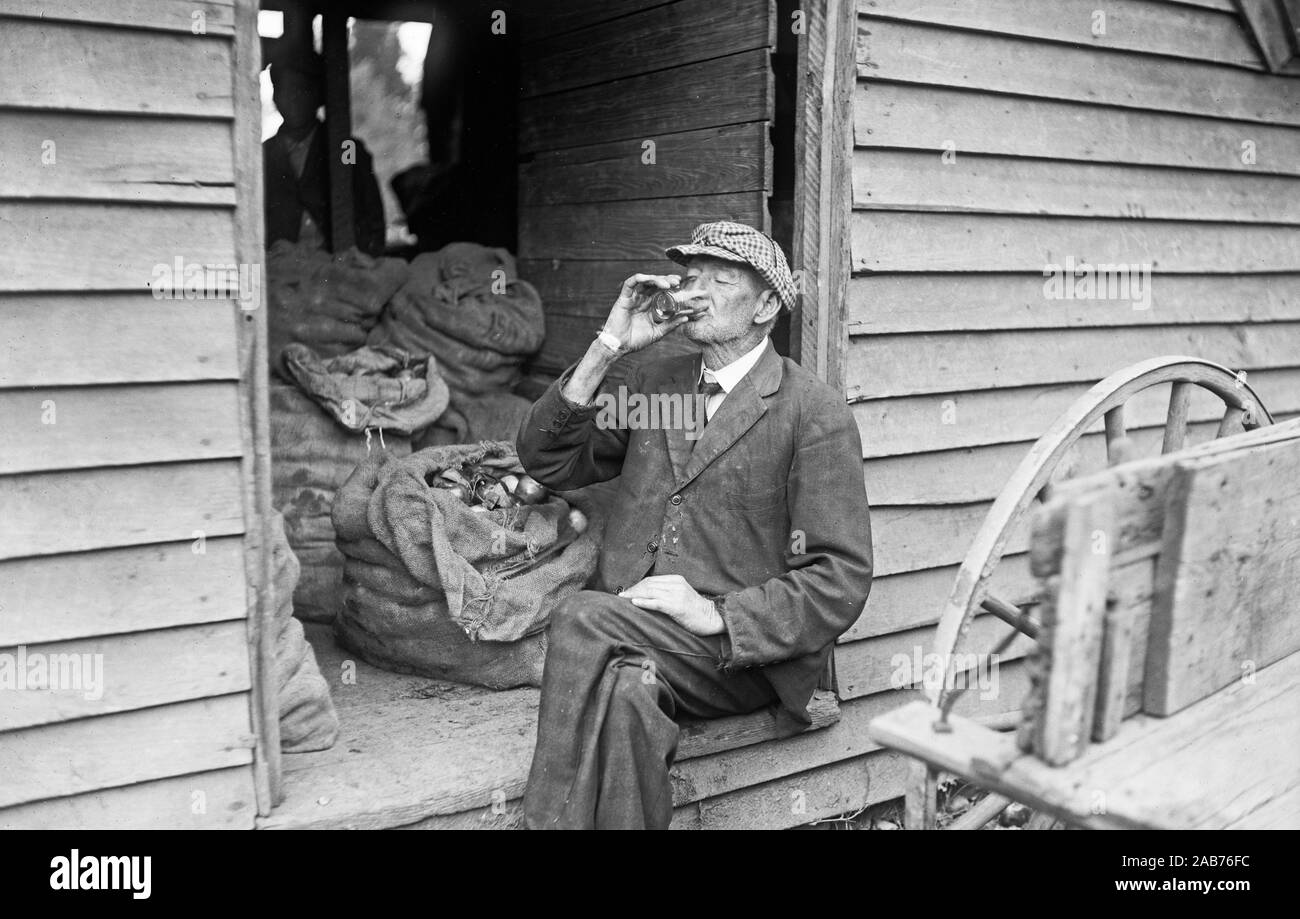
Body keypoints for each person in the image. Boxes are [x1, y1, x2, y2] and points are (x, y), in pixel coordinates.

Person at [516, 220, 874, 829]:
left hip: (739, 655)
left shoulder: (812, 412)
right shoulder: (660, 385)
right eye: (691, 276)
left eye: (721, 278)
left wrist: (719, 614)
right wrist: (609, 346)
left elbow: (840, 577)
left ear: (766, 305)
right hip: (637, 638)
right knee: (629, 690)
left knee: (580, 613)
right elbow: (548, 459)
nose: (695, 290)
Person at [263, 52, 386, 257]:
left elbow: (371, 216)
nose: (292, 98)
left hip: (337, 268)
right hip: (280, 269)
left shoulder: (347, 148)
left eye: (302, 89)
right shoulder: (263, 154)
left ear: (318, 95)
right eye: (284, 90)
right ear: (274, 96)